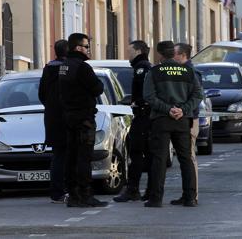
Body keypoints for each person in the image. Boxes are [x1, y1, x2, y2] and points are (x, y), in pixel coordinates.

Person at [143, 41, 203, 208]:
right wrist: (182, 110)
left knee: (159, 159)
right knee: (186, 159)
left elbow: (149, 96)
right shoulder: (188, 71)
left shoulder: (154, 72)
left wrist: (168, 109)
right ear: (172, 53)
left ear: (160, 54)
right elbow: (198, 95)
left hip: (161, 120)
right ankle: (190, 197)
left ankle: (156, 198)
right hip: (182, 120)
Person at [59, 33, 107, 208]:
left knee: (71, 157)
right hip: (83, 119)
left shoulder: (64, 66)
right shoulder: (83, 67)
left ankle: (73, 195)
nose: (89, 50)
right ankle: (85, 195)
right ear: (78, 48)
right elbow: (97, 88)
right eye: (87, 46)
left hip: (69, 117)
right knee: (83, 157)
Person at [114, 40, 152, 202]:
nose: (127, 54)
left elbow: (145, 92)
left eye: (130, 51)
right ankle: (147, 190)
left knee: (137, 153)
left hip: (143, 117)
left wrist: (139, 102)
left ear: (137, 51)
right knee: (144, 153)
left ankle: (133, 190)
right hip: (144, 117)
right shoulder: (141, 66)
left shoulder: (142, 68)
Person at [39, 39, 70, 204]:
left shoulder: (48, 69)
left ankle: (57, 192)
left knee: (58, 155)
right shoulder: (70, 68)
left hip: (52, 117)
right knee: (70, 155)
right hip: (68, 117)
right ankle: (68, 190)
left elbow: (42, 94)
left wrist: (51, 107)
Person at [173, 42, 203, 205]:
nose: (172, 56)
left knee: (189, 158)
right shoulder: (181, 70)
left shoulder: (192, 72)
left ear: (183, 55)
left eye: (175, 53)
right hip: (183, 119)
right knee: (185, 157)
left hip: (190, 120)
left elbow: (196, 98)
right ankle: (187, 194)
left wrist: (183, 110)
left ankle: (193, 195)